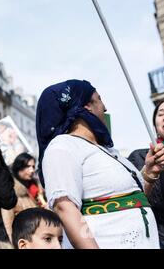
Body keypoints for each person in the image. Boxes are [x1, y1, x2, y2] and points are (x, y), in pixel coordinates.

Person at [36, 79, 162, 248]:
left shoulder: (108, 151)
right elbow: (65, 209)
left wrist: (149, 172)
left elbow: (133, 200)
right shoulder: (62, 146)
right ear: (87, 106)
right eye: (99, 99)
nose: (105, 107)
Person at [128, 100, 164, 248]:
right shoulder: (139, 158)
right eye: (161, 114)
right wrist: (149, 174)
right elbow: (132, 203)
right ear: (155, 126)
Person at [1, 153, 47, 242]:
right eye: (28, 167)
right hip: (23, 239)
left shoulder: (37, 190)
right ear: (19, 168)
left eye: (33, 167)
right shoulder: (11, 191)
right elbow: (7, 224)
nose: (32, 170)